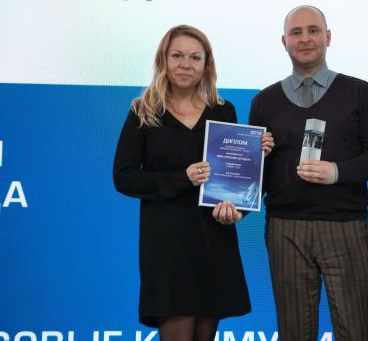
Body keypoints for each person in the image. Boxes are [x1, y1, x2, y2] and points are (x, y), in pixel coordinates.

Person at [113, 25, 272, 341]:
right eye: (177, 56)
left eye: (195, 57)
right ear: (164, 60)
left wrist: (257, 157)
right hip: (166, 243)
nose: (185, 64)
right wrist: (181, 179)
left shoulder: (223, 110)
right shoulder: (143, 111)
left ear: (206, 65)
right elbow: (124, 177)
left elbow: (233, 175)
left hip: (213, 238)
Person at [249, 5, 368, 341]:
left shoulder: (360, 92)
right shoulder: (264, 101)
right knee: (294, 333)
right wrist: (256, 160)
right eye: (296, 33)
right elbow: (255, 175)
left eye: (313, 30)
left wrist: (338, 172)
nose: (305, 38)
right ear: (284, 42)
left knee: (357, 331)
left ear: (327, 37)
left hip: (345, 226)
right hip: (285, 229)